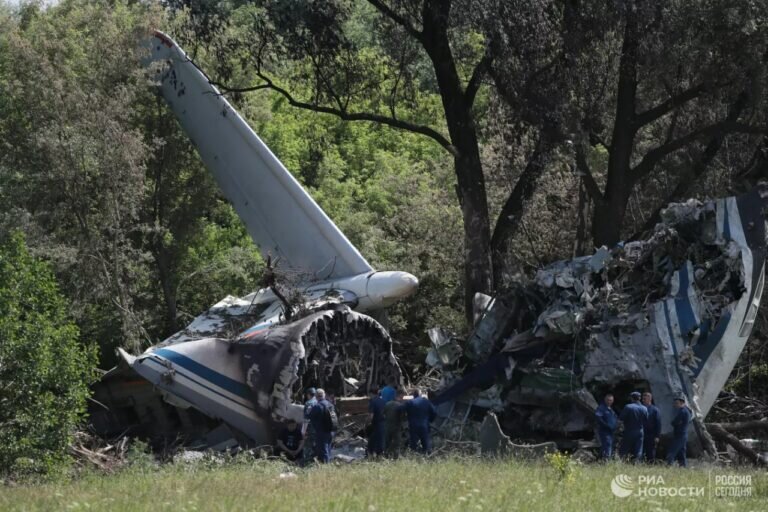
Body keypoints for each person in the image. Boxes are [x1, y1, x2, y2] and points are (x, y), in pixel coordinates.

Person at [403, 388, 437, 454]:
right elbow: (434, 412)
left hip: (413, 425)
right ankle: (426, 456)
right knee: (426, 443)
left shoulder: (410, 402)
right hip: (424, 425)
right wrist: (430, 420)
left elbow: (402, 410)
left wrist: (406, 418)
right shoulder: (426, 402)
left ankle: (413, 456)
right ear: (420, 394)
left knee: (413, 443)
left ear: (413, 395)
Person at [308, 388, 336, 463]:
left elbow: (309, 415)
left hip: (322, 431)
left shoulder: (318, 406)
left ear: (316, 396)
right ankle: (328, 464)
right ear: (324, 395)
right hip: (331, 430)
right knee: (328, 449)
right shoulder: (330, 404)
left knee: (323, 450)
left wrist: (309, 410)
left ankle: (325, 467)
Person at [619, 391, 648, 462]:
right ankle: (637, 464)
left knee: (624, 448)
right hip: (640, 431)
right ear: (639, 398)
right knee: (638, 449)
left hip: (629, 430)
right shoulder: (644, 408)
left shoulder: (628, 407)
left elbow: (621, 418)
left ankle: (622, 462)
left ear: (632, 398)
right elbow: (646, 419)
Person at [666, 396, 691, 467]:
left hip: (680, 435)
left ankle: (669, 465)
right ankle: (683, 466)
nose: (675, 405)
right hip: (683, 434)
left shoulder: (682, 411)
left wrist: (674, 423)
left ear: (682, 403)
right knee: (681, 452)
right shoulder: (686, 411)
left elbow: (674, 422)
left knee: (672, 450)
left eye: (677, 403)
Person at [594, 394, 618, 460]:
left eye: (611, 400)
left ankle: (601, 460)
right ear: (605, 400)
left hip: (611, 431)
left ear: (613, 401)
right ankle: (606, 462)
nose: (609, 402)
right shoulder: (601, 408)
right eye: (608, 400)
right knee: (607, 445)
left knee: (609, 446)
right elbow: (598, 417)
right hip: (605, 431)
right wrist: (606, 425)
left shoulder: (611, 409)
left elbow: (615, 418)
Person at [383, 389, 405, 458]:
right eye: (402, 397)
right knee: (397, 443)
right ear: (400, 396)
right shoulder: (400, 406)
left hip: (387, 426)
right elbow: (402, 417)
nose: (402, 399)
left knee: (387, 442)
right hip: (396, 427)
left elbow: (383, 414)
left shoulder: (387, 404)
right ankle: (396, 457)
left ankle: (385, 456)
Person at [642, 392, 662, 463]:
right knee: (641, 450)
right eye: (643, 398)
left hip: (651, 434)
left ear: (650, 399)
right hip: (642, 433)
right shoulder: (640, 408)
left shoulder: (655, 410)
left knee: (650, 451)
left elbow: (658, 423)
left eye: (645, 398)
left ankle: (650, 465)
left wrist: (657, 436)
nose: (643, 400)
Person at [367, 387, 386, 457]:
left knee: (372, 441)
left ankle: (372, 454)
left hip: (376, 424)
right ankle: (380, 455)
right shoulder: (383, 401)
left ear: (371, 393)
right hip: (383, 423)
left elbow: (371, 416)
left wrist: (367, 423)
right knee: (380, 440)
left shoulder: (372, 402)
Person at [302, 387, 317, 465]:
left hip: (310, 430)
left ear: (308, 394)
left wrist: (303, 431)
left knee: (307, 447)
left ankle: (307, 464)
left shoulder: (308, 403)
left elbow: (306, 419)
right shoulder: (319, 402)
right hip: (318, 429)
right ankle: (315, 463)